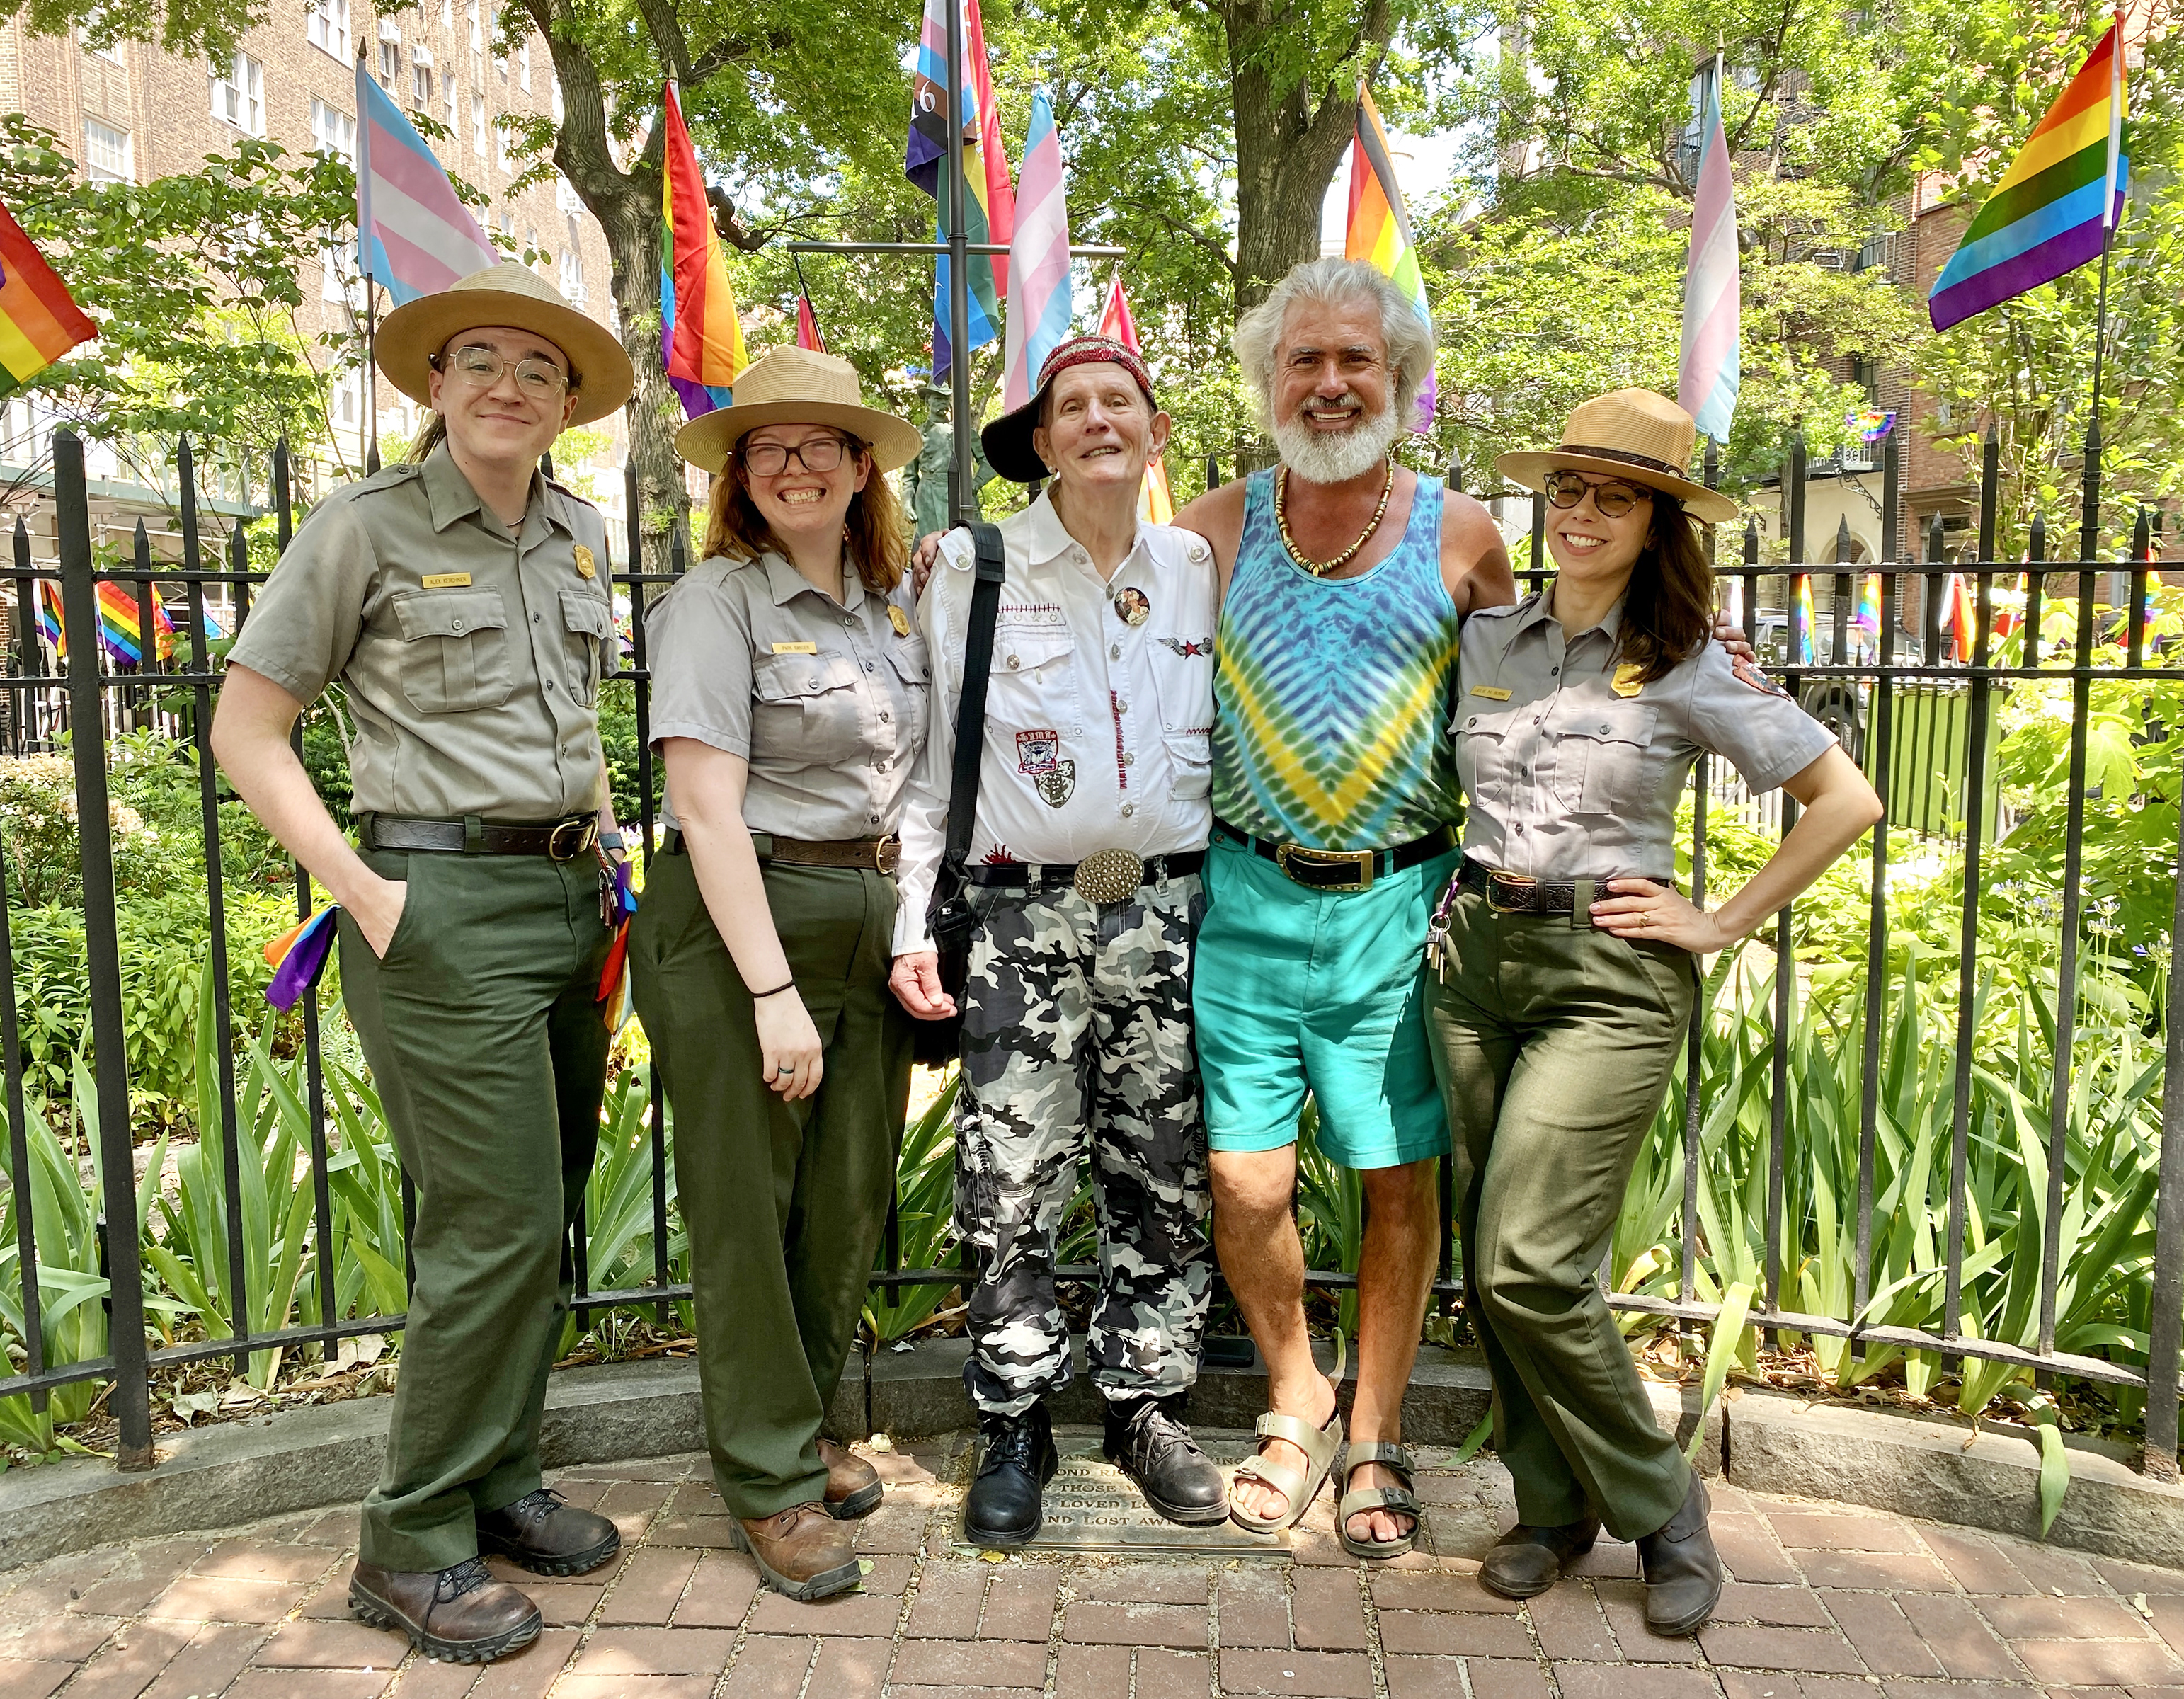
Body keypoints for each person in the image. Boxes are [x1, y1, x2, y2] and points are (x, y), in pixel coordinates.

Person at [210, 261, 635, 1664]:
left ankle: (495, 1482)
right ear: (437, 388)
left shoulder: (579, 534)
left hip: (569, 897)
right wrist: (362, 894)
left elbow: (569, 721)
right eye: (483, 364)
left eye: (538, 370)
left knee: (547, 1213)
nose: (509, 387)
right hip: (437, 907)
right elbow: (248, 730)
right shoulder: (365, 530)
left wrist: (610, 849)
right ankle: (407, 1543)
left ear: (566, 405)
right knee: (493, 1223)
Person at [1434, 390, 1882, 1632]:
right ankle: (1547, 1506)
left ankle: (1663, 1505)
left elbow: (1844, 801)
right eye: (1567, 492)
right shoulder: (1484, 640)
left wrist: (1721, 918)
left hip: (1606, 976)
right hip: (1472, 961)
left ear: (1657, 522)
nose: (1579, 515)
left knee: (1531, 1260)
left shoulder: (1687, 661)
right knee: (1489, 1255)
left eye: (1612, 498)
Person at [1169, 257, 1514, 1557]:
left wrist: (1681, 656)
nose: (1327, 384)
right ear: (1269, 381)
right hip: (1244, 899)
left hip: (1398, 907)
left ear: (1400, 380)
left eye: (1352, 360)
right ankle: (1292, 1394)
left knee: (1393, 1181)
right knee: (1242, 1180)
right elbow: (1082, 616)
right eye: (1302, 361)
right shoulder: (1210, 525)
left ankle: (1372, 1432)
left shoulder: (1461, 532)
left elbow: (1548, 671)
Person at [891, 336, 1225, 1548]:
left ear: (1153, 430)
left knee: (1162, 1163)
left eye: (1117, 402)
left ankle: (1147, 1405)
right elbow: (928, 766)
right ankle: (1016, 1417)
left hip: (1164, 907)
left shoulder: (1199, 564)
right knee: (1012, 1174)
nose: (1095, 420)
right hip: (1016, 913)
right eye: (1069, 407)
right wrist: (906, 926)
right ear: (1039, 442)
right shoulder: (971, 566)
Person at [626, 347, 927, 1603]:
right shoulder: (716, 602)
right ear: (740, 477)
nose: (796, 464)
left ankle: (800, 1424)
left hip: (864, 905)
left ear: (863, 468)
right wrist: (768, 993)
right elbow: (703, 807)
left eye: (821, 444)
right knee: (751, 1205)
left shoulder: (896, 606)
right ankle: (764, 1479)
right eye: (768, 447)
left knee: (847, 1191)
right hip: (741, 915)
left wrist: (906, 921)